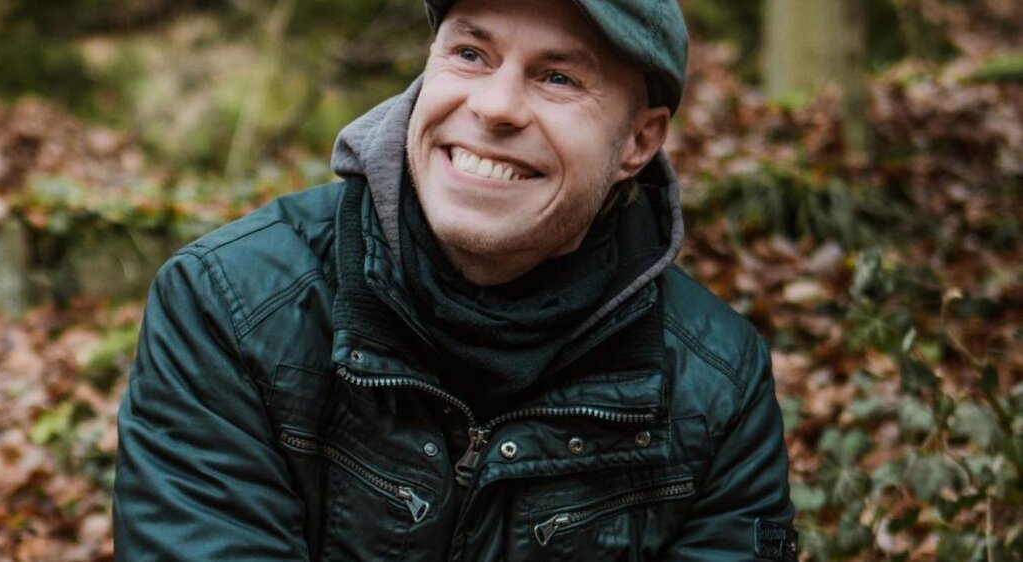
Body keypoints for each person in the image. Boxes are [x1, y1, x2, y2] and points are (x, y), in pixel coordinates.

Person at [113, 0, 798, 559]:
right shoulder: (231, 306)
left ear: (639, 142)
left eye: (559, 77)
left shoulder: (718, 387)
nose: (496, 107)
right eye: (470, 54)